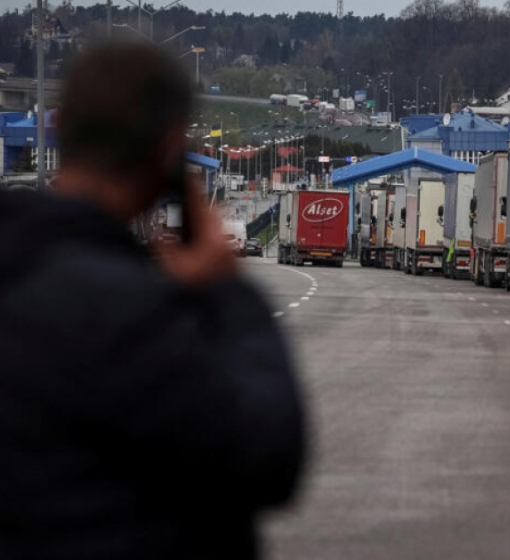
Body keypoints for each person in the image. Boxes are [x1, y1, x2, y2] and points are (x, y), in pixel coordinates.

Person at [0, 40, 306, 560]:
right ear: (168, 149)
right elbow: (265, 455)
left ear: (60, 127)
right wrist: (227, 291)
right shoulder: (125, 313)